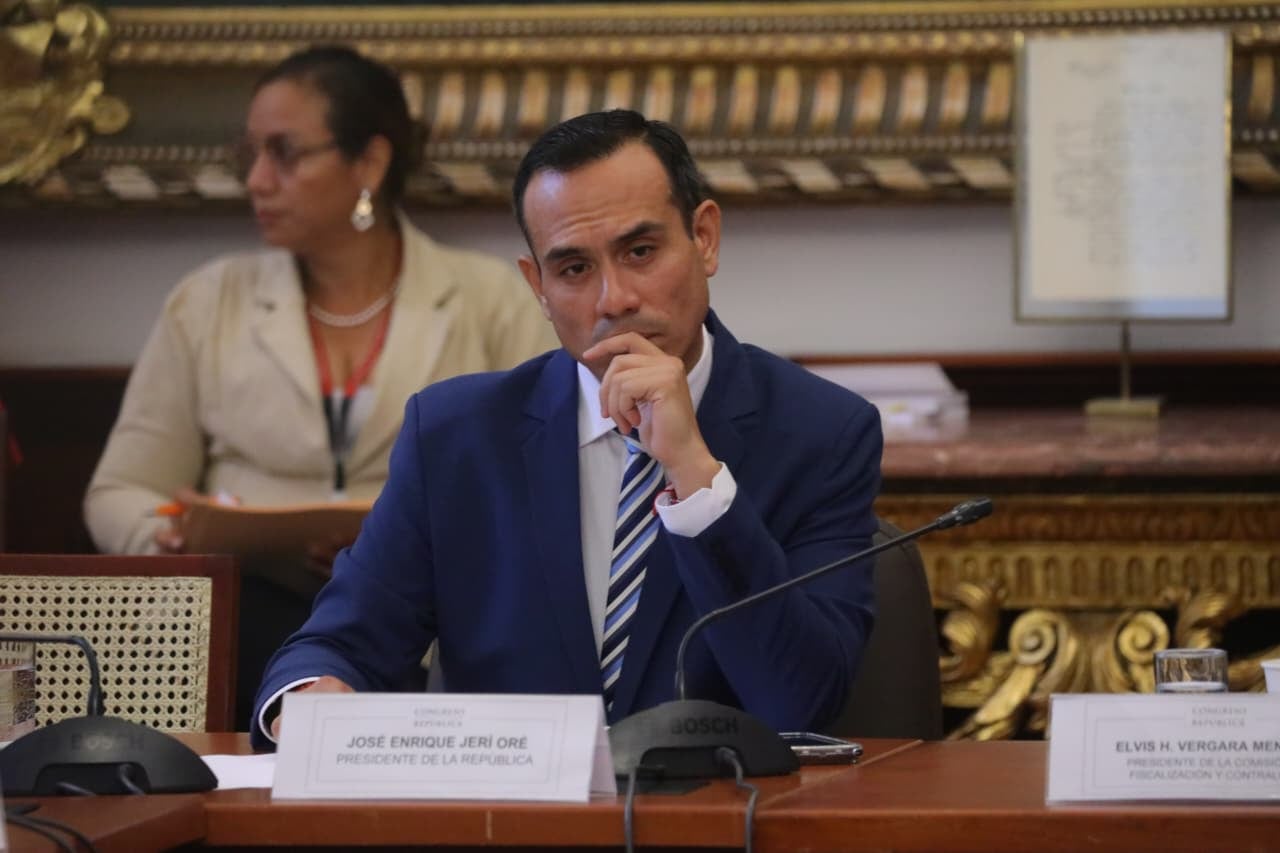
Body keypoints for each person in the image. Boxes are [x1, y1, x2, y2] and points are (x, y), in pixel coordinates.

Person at [253, 108, 882, 747]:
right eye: (574, 269)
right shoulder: (456, 437)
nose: (613, 300)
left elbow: (800, 698)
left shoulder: (822, 433)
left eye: (640, 251)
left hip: (719, 821)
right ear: (539, 286)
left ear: (705, 237)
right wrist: (313, 695)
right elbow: (339, 644)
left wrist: (696, 477)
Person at [83, 46, 556, 729]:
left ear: (369, 162)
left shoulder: (492, 300)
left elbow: (538, 493)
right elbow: (116, 491)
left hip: (430, 629)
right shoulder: (209, 300)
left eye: (284, 153)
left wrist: (396, 546)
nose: (256, 180)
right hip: (238, 623)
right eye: (249, 154)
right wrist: (181, 545)